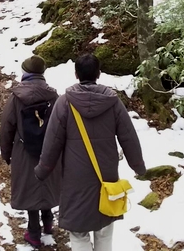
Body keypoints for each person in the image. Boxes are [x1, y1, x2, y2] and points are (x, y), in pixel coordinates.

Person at [34, 54, 146, 251]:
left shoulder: (65, 103)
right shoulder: (113, 102)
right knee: (104, 230)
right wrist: (138, 166)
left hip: (75, 178)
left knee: (78, 233)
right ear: (99, 74)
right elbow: (128, 136)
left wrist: (43, 170)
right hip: (106, 176)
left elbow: (52, 141)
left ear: (76, 74)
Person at [0, 55, 62, 248]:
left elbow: (7, 127)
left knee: (30, 188)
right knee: (46, 183)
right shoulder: (54, 97)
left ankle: (34, 233)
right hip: (49, 151)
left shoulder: (16, 98)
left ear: (25, 72)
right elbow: (62, 126)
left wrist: (6, 153)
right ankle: (48, 221)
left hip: (24, 150)